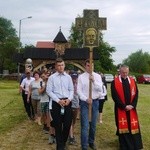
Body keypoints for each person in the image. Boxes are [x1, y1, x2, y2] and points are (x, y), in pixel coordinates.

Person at [111, 65, 143, 150]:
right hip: (120, 109)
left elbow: (136, 94)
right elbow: (115, 96)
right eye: (123, 72)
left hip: (132, 108)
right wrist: (124, 106)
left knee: (133, 125)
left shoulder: (132, 81)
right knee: (123, 126)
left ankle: (135, 145)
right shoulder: (115, 82)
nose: (125, 74)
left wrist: (132, 105)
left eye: (126, 72)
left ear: (128, 72)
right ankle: (125, 146)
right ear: (119, 72)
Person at [46, 58, 74, 150]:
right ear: (55, 66)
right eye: (58, 65)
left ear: (64, 65)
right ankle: (60, 147)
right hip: (56, 103)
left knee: (67, 124)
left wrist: (69, 99)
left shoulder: (68, 77)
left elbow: (71, 90)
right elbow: (49, 91)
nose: (60, 67)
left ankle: (62, 143)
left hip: (67, 103)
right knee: (57, 126)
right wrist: (58, 100)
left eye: (62, 65)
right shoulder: (52, 78)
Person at [77, 59, 103, 150]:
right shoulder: (81, 77)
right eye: (88, 65)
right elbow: (79, 91)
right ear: (85, 66)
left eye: (92, 65)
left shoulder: (98, 76)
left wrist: (93, 81)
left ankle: (91, 142)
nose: (90, 67)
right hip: (85, 103)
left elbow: (100, 89)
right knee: (85, 125)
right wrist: (85, 99)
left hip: (95, 102)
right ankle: (84, 146)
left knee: (93, 125)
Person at [68, 71, 79, 145]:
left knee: (74, 121)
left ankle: (72, 134)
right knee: (70, 121)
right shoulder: (68, 85)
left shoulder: (79, 85)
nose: (74, 79)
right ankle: (71, 137)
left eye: (75, 78)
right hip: (69, 105)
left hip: (76, 105)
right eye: (73, 78)